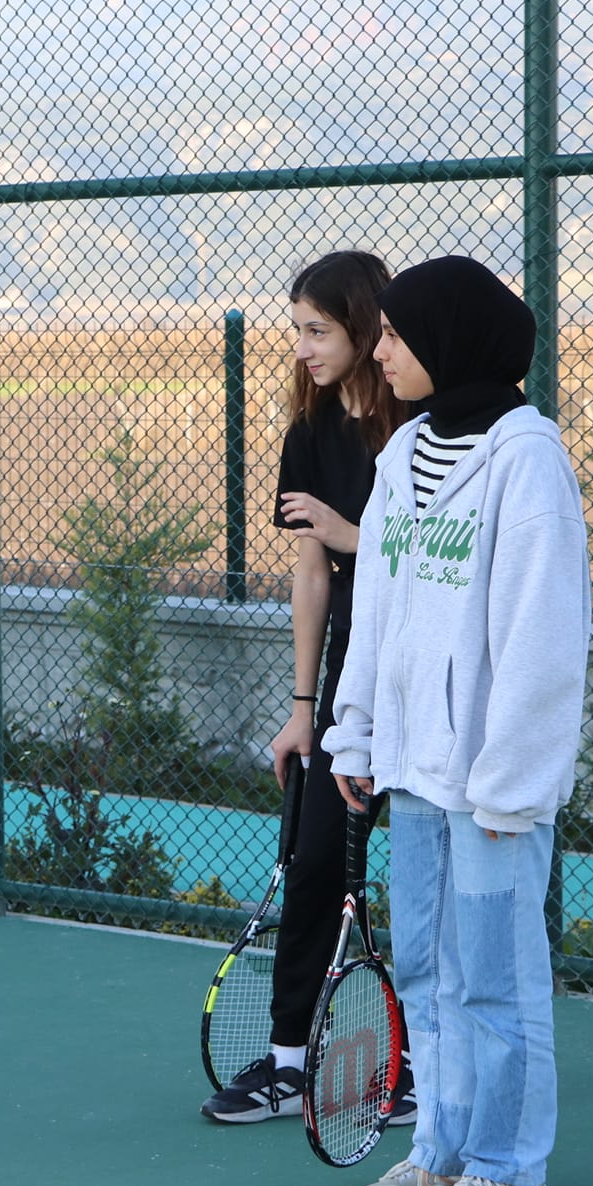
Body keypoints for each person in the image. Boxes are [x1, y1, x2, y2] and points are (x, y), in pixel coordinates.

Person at [322, 255, 589, 1186]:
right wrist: (355, 737)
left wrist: (510, 786)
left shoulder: (525, 461)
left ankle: (510, 1170)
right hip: (416, 780)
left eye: (394, 334)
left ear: (446, 341)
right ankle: (438, 1148)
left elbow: (541, 639)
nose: (379, 350)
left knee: (493, 977)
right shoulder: (401, 458)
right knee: (430, 974)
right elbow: (377, 616)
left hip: (489, 793)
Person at [200, 251, 414, 1126]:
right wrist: (302, 710)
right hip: (349, 690)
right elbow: (311, 574)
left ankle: (424, 1072)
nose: (301, 349)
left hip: (426, 683)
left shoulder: (425, 426)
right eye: (296, 330)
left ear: (366, 328)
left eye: (316, 330)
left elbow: (432, 556)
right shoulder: (311, 433)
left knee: (435, 880)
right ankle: (291, 1061)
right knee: (314, 860)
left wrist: (349, 531)